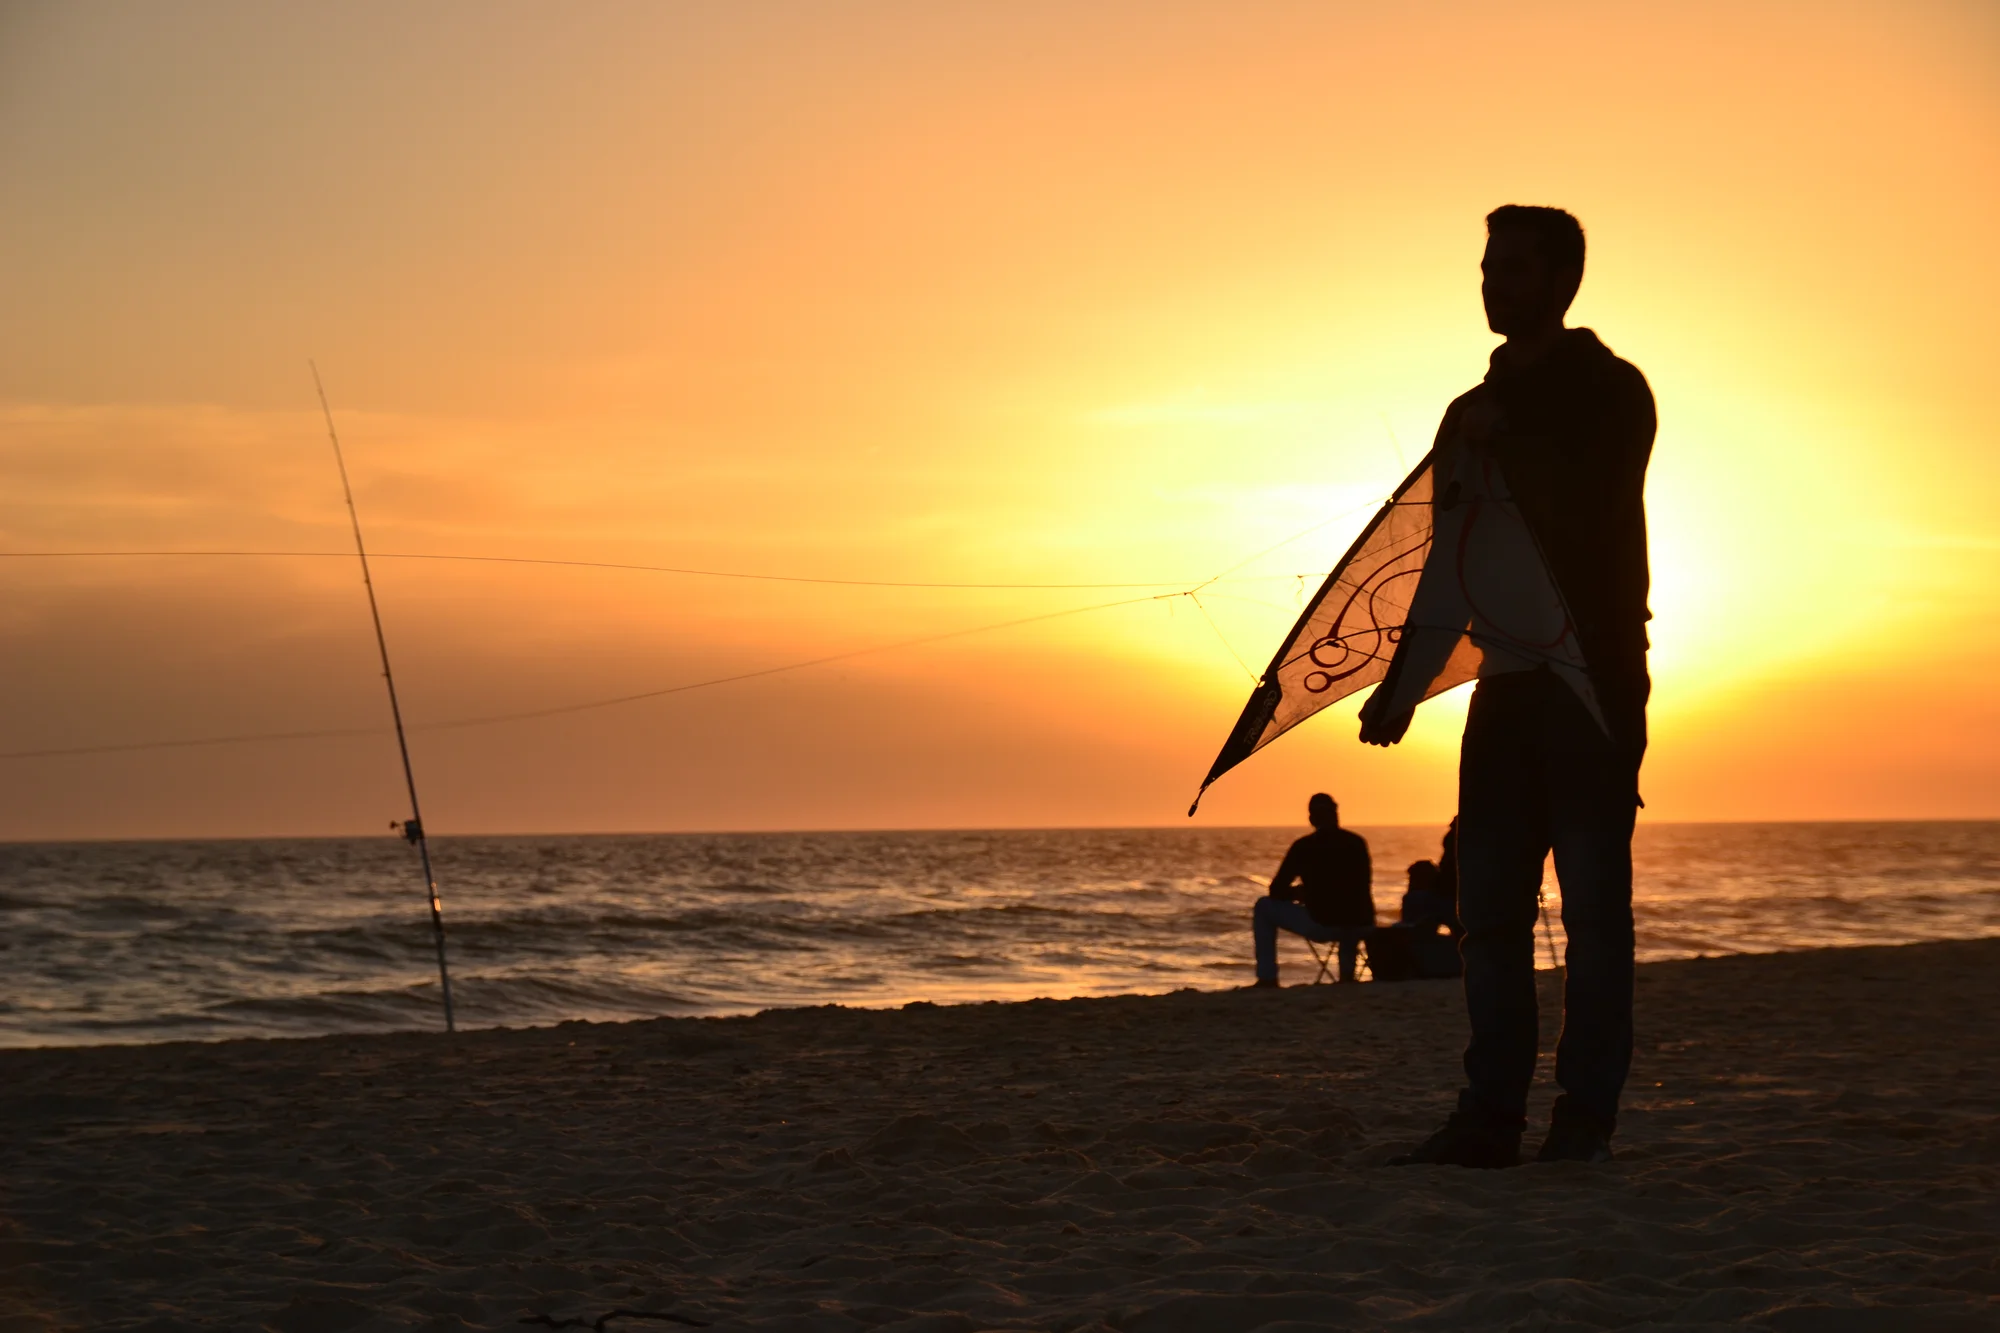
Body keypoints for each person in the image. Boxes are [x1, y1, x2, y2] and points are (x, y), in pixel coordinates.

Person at [1357, 205, 1654, 1166]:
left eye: (1513, 269)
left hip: (1592, 688)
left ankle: (1583, 1119)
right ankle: (1488, 1117)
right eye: (1486, 267)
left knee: (1596, 918)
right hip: (1503, 696)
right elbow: (1452, 557)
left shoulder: (1613, 390)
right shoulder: (1466, 411)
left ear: (1561, 282)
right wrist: (1403, 683)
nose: (1492, 283)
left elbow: (1591, 496)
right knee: (1489, 917)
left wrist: (1509, 436)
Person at [1253, 793, 1374, 985]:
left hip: (1323, 923)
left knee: (1263, 907)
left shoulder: (1303, 846)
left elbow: (1276, 890)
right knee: (1349, 918)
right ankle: (1346, 977)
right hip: (1362, 923)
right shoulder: (1356, 842)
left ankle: (1267, 978)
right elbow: (1362, 885)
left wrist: (1299, 893)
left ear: (1311, 819)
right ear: (1336, 815)